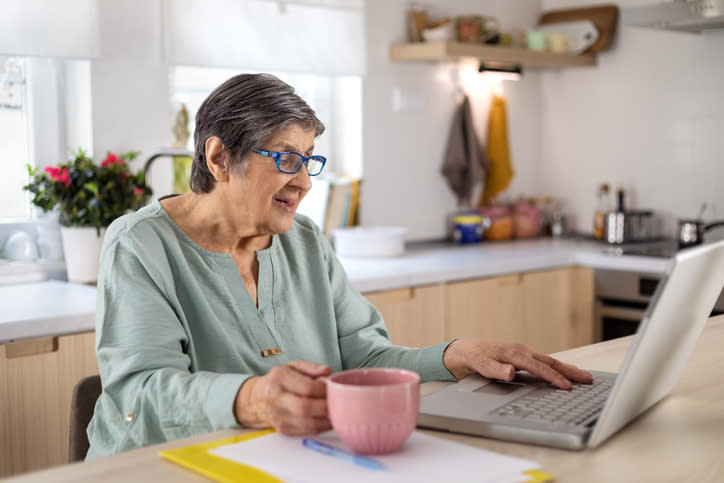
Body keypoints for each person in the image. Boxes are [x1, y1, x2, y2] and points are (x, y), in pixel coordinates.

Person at [86, 73, 592, 458]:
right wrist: (253, 398)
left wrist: (458, 355)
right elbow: (142, 392)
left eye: (309, 158)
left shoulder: (304, 240)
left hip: (276, 460)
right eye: (286, 158)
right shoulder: (140, 245)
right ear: (219, 158)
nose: (305, 181)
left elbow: (361, 357)